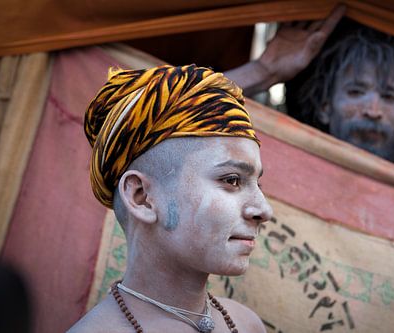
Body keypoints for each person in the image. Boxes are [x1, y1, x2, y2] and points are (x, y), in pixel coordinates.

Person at [68, 65, 273, 332]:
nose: (263, 209)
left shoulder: (246, 324)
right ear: (141, 197)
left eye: (257, 183)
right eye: (232, 180)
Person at [226, 5, 394, 213]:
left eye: (389, 96)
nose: (373, 110)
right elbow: (186, 106)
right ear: (325, 108)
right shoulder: (267, 172)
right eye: (355, 92)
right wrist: (263, 70)